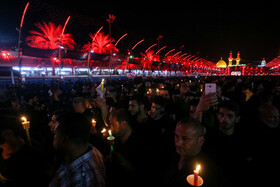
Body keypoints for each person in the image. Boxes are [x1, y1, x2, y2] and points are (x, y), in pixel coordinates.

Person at [49, 111, 105, 187]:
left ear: (64, 139)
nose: (54, 137)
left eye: (55, 134)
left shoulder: (78, 181)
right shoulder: (93, 151)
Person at [164, 118, 225, 187]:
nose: (178, 143)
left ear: (200, 141)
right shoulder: (170, 155)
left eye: (185, 138)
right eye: (176, 136)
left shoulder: (210, 172)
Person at [0, 111, 50, 187]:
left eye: (2, 144)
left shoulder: (32, 158)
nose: (2, 149)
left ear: (8, 134)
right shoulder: (5, 157)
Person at [203, 100, 246, 186]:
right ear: (217, 115)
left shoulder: (242, 141)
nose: (224, 119)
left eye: (229, 116)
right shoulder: (209, 136)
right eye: (221, 115)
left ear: (237, 119)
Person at [106, 108, 154, 187]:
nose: (111, 128)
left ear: (124, 124)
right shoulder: (115, 139)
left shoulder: (140, 143)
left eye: (113, 124)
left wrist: (122, 160)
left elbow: (141, 173)